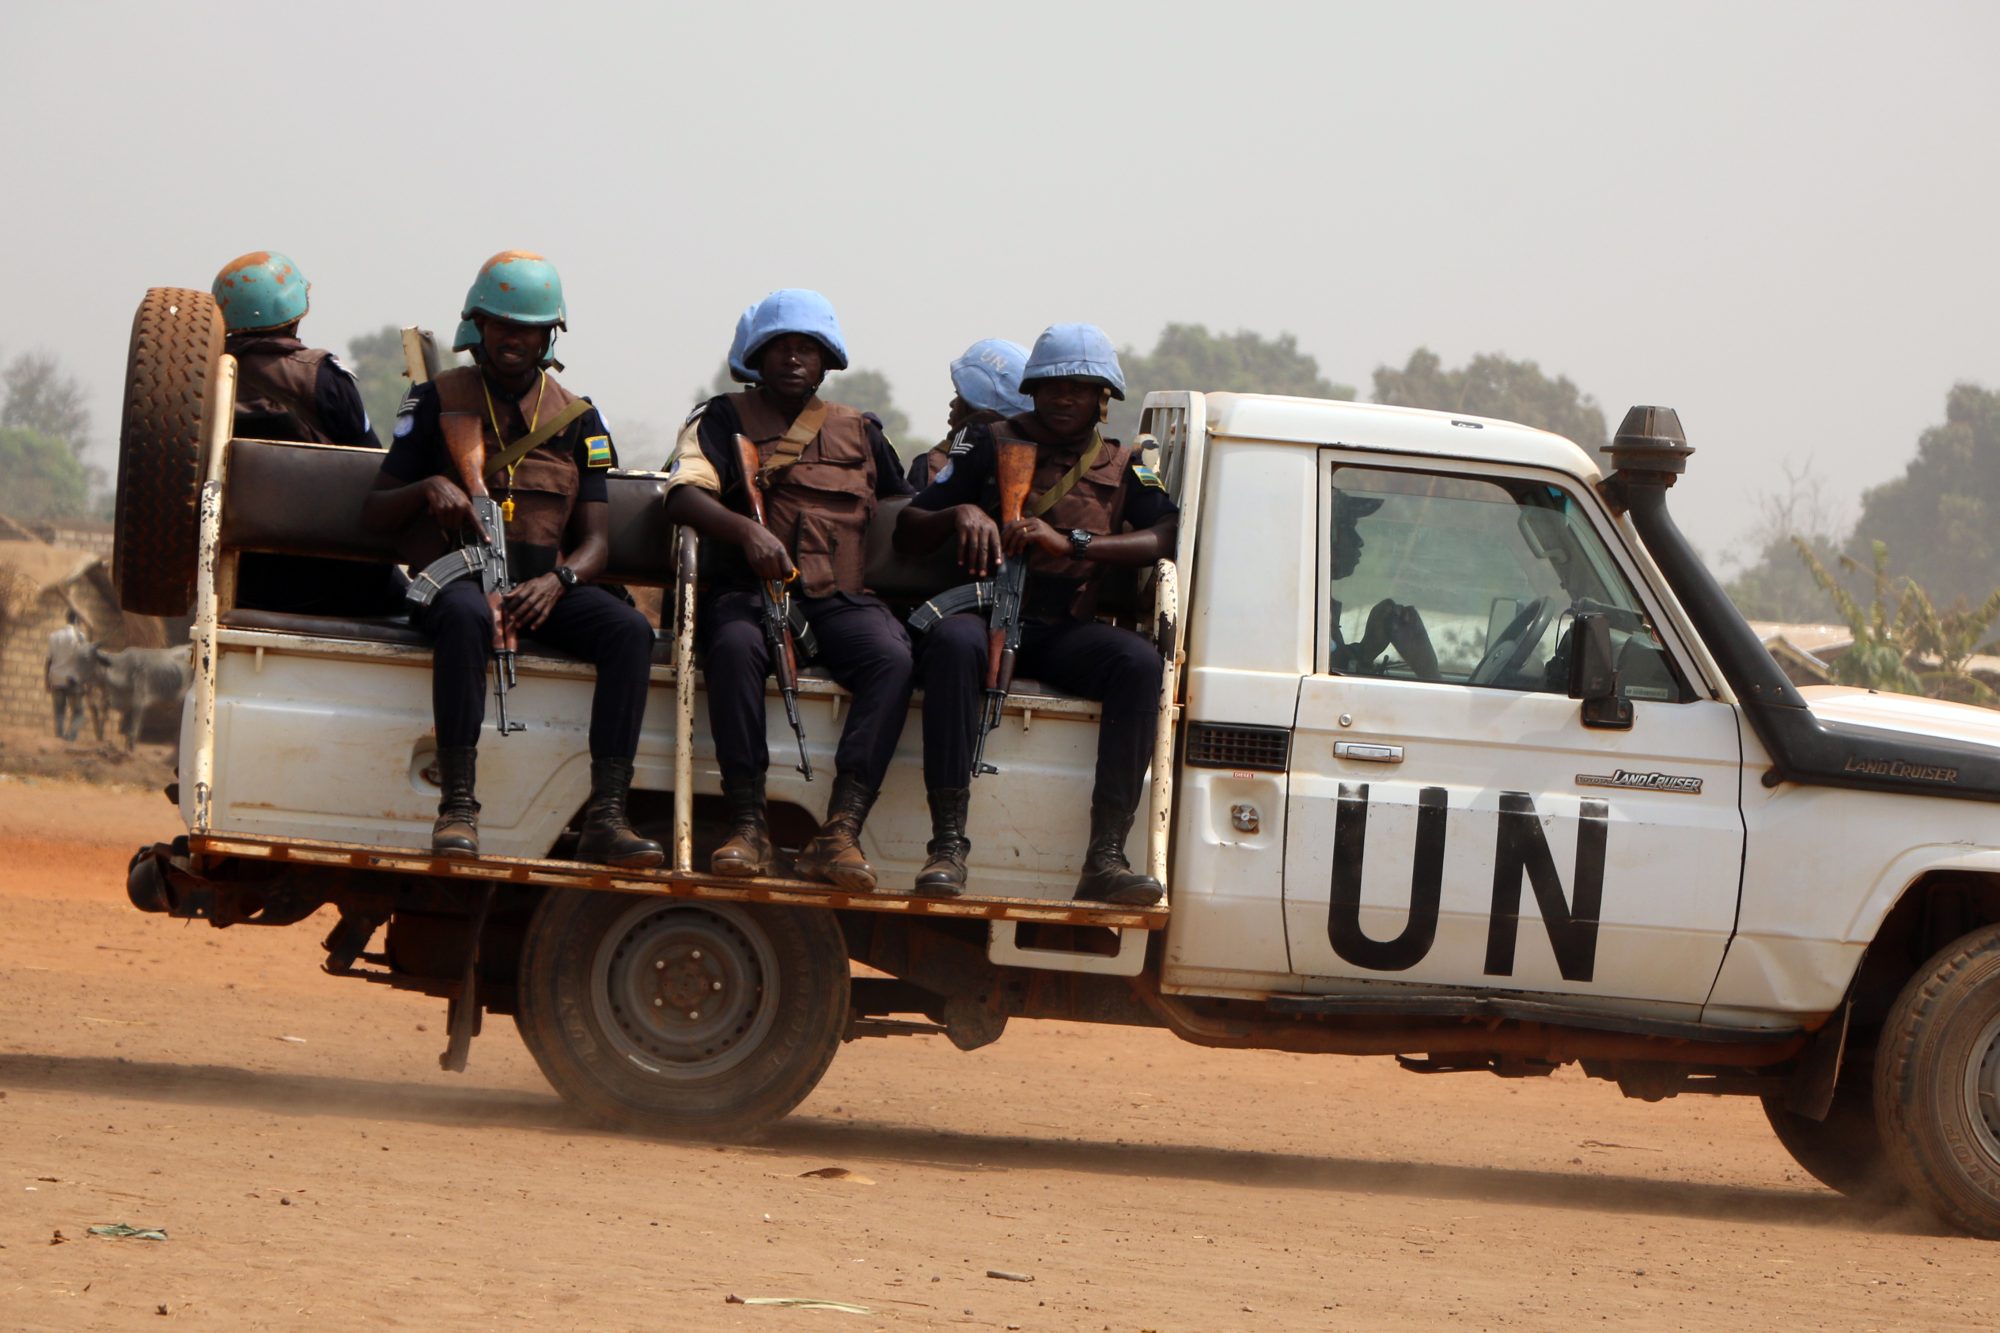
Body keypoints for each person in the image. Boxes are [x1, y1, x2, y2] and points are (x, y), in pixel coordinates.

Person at [361, 250, 662, 868]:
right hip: (462, 586)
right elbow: (374, 513)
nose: (513, 339)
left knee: (631, 631)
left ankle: (606, 813)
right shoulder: (435, 399)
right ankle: (459, 807)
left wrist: (561, 579)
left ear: (548, 334)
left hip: (540, 588)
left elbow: (598, 544)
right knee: (467, 615)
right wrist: (428, 489)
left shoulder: (580, 419)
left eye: (527, 328)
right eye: (501, 325)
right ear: (478, 326)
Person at [896, 323, 1176, 904]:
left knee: (1139, 663)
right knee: (951, 644)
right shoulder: (987, 442)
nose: (1064, 398)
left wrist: (1072, 543)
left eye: (1079, 387)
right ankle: (946, 844)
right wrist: (963, 513)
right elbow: (908, 528)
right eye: (1051, 386)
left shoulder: (1126, 463)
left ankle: (1105, 857)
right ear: (1033, 390)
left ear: (1104, 397)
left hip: (1060, 625)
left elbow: (1166, 533)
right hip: (981, 610)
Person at [664, 290, 915, 890]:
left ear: (827, 360)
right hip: (750, 596)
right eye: (781, 347)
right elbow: (681, 494)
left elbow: (903, 510)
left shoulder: (861, 430)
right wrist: (746, 531)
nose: (794, 358)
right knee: (732, 648)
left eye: (808, 348)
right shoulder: (720, 419)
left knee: (893, 656)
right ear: (759, 355)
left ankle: (842, 831)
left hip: (839, 599)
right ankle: (748, 825)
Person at [211, 250, 403, 616]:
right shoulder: (322, 377)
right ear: (295, 312)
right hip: (335, 583)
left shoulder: (202, 380)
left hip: (236, 582)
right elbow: (373, 467)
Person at [1327, 491, 1440, 679]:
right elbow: (1332, 690)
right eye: (1348, 528)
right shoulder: (1303, 611)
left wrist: (1367, 648)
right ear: (1328, 536)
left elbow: (1333, 670)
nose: (1359, 541)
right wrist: (1428, 669)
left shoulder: (1317, 605)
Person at [906, 338, 1033, 487]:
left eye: (960, 396)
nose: (952, 404)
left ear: (977, 410)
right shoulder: (1036, 468)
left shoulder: (931, 467)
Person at [45, 609, 91, 741]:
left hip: (56, 678)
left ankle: (59, 737)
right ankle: (70, 737)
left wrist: (47, 681)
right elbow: (84, 662)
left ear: (66, 619)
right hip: (73, 680)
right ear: (77, 621)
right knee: (78, 713)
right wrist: (86, 682)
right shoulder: (80, 638)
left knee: (59, 711)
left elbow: (48, 660)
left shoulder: (54, 636)